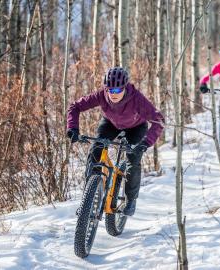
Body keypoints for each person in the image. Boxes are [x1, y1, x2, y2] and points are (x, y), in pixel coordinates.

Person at [66, 67, 164, 216]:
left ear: (124, 88)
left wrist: (145, 144)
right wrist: (73, 128)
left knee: (133, 158)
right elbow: (75, 106)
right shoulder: (101, 95)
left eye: (117, 91)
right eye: (110, 90)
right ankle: (90, 197)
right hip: (111, 124)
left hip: (136, 127)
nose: (113, 94)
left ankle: (130, 200)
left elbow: (159, 120)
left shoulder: (137, 99)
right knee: (95, 150)